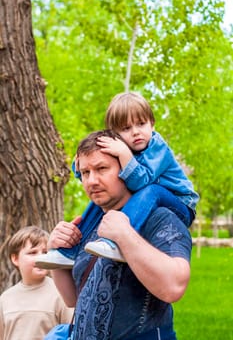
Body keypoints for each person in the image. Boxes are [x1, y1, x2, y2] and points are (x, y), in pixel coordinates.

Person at [47, 129, 192, 339]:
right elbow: (73, 299)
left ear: (126, 168)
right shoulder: (94, 222)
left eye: (101, 169)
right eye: (85, 172)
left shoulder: (160, 217)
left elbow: (174, 286)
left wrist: (124, 235)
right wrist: (57, 255)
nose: (91, 181)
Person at [36, 92, 198, 267]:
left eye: (141, 124)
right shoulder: (124, 148)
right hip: (152, 197)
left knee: (152, 190)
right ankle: (70, 252)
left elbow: (141, 183)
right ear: (115, 134)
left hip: (180, 204)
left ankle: (116, 242)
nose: (136, 132)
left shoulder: (157, 148)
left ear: (152, 124)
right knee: (101, 198)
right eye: (126, 128)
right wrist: (80, 164)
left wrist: (124, 153)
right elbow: (94, 172)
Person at [0, 226, 74, 340]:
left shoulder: (62, 294)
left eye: (45, 252)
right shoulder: (5, 299)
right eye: (32, 252)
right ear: (15, 259)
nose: (41, 257)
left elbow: (73, 333)